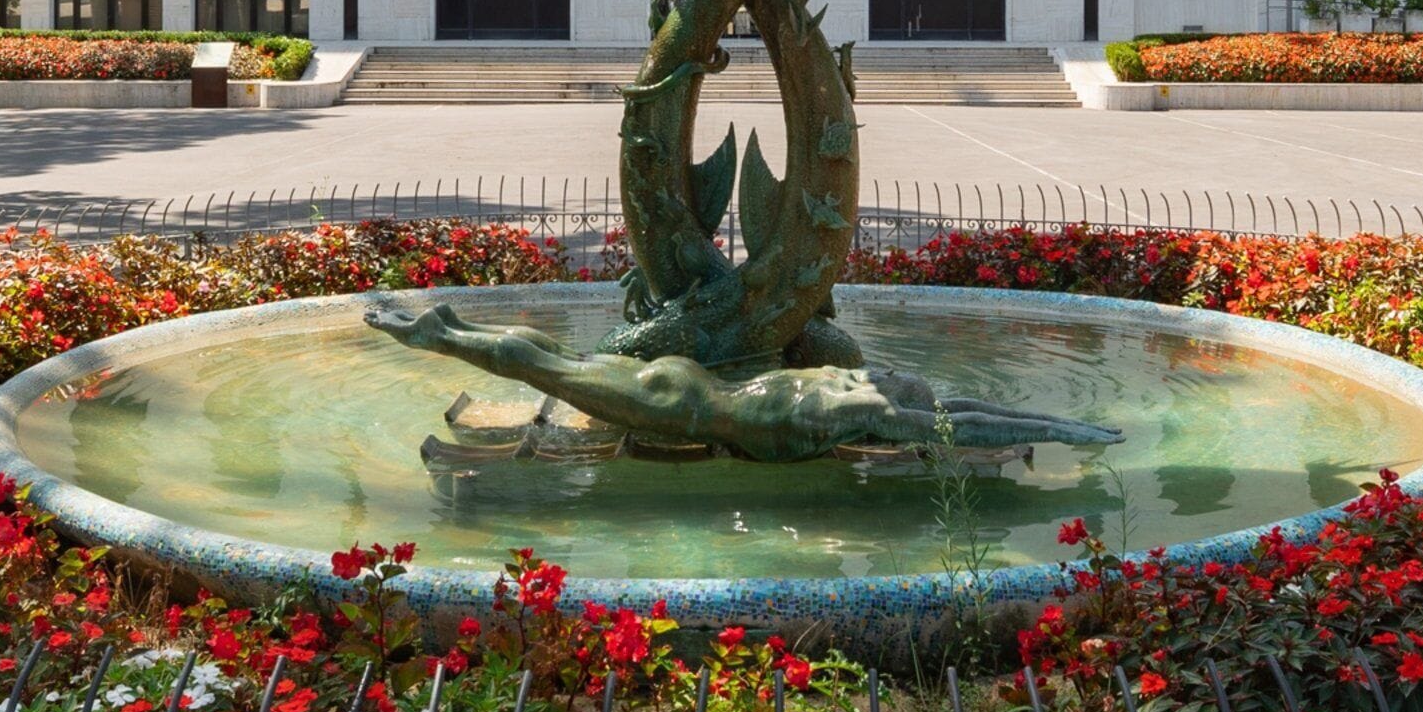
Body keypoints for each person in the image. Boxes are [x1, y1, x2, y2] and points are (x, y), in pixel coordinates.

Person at [365, 296, 1119, 464]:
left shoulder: (858, 397)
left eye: (890, 372)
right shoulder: (870, 415)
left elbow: (964, 410)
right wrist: (1058, 428)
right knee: (556, 369)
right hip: (680, 406)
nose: (882, 368)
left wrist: (1056, 425)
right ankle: (444, 335)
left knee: (562, 364)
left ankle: (450, 326)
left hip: (686, 387)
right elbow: (964, 425)